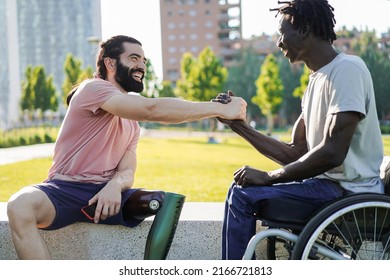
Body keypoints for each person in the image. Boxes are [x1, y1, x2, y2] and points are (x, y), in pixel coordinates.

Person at [6, 35, 247, 260]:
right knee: (20, 206)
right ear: (110, 63)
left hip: (106, 196)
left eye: (143, 60)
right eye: (134, 58)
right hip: (63, 190)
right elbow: (152, 109)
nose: (141, 66)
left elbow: (127, 170)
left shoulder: (131, 124)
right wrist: (218, 109)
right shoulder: (92, 88)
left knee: (165, 202)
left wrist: (115, 184)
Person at [218, 0, 384, 260]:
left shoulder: (348, 69)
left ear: (305, 28)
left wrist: (269, 177)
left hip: (346, 192)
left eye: (282, 33)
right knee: (239, 187)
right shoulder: (315, 82)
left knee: (242, 196)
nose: (278, 43)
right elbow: (295, 152)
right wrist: (238, 127)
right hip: (325, 187)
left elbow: (332, 153)